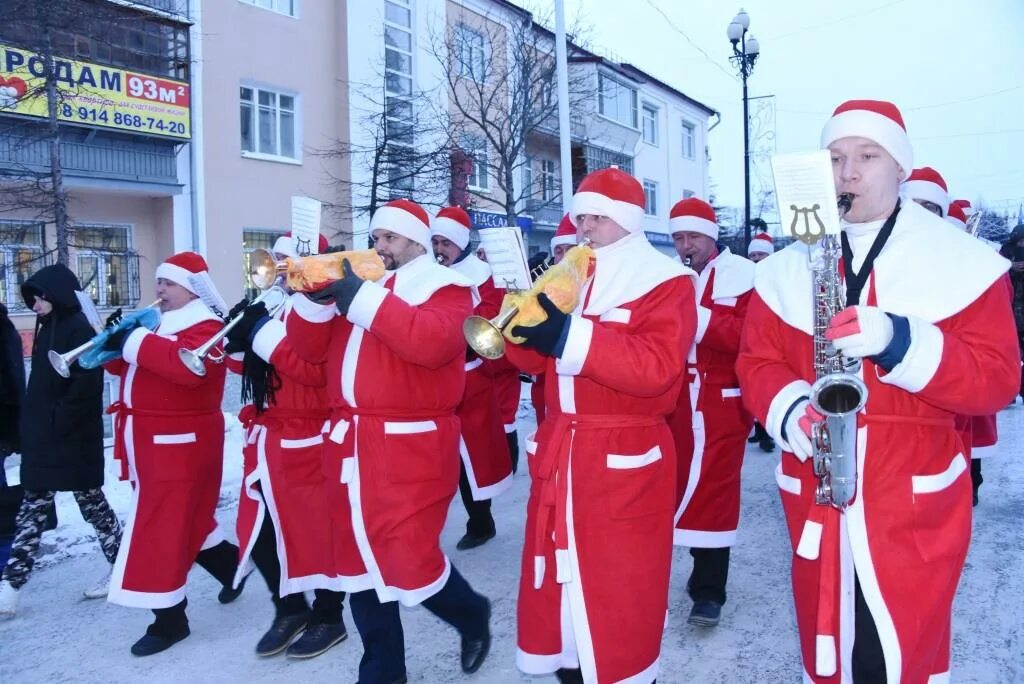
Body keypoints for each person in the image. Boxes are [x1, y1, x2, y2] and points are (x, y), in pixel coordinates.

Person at [736, 99, 1020, 683]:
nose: (848, 173)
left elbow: (997, 379)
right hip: (816, 480)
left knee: (894, 650)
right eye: (835, 158)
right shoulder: (786, 267)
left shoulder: (962, 262)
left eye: (868, 156)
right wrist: (790, 410)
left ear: (901, 168)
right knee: (829, 643)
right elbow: (757, 361)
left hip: (911, 490)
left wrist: (900, 341)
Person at [284, 198, 491, 683]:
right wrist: (313, 301)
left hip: (409, 446)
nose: (380, 247)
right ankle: (382, 670)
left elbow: (430, 343)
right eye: (376, 238)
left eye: (390, 238)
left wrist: (359, 297)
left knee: (409, 557)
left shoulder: (448, 287)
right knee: (357, 561)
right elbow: (309, 353)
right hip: (350, 442)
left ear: (417, 242)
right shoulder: (365, 285)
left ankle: (470, 613)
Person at [506, 167, 695, 683]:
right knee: (559, 592)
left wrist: (567, 336)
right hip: (563, 452)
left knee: (619, 590)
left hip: (624, 456)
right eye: (581, 217)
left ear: (627, 220)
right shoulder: (571, 272)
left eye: (597, 217)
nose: (585, 226)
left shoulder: (666, 281)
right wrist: (520, 326)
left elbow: (657, 370)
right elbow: (532, 364)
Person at [102, 252, 242, 656]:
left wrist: (134, 341)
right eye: (159, 282)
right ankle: (233, 569)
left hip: (181, 444)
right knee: (187, 519)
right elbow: (124, 369)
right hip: (150, 440)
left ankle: (169, 620)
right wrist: (113, 341)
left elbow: (186, 370)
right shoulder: (157, 323)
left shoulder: (209, 327)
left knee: (161, 528)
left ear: (192, 289)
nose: (160, 290)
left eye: (169, 283)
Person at [224, 231, 349, 659]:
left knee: (316, 531)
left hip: (310, 434)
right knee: (260, 530)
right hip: (267, 435)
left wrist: (261, 334)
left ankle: (329, 616)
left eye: (285, 261)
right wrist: (237, 337)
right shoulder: (274, 305)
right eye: (273, 260)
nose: (276, 270)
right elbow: (252, 370)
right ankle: (290, 608)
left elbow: (315, 372)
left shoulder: (326, 307)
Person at [0, 265, 123, 619]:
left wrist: (56, 422)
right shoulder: (48, 326)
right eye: (32, 300)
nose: (35, 305)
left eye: (39, 298)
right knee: (32, 512)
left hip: (71, 438)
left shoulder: (78, 328)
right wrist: (31, 428)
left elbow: (86, 387)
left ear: (56, 294)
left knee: (93, 506)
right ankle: (10, 589)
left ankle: (121, 564)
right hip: (44, 439)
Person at [668, 197, 756, 628]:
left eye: (694, 237)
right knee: (671, 487)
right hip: (673, 402)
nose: (686, 246)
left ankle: (709, 591)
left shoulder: (745, 276)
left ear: (711, 236)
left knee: (714, 493)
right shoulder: (669, 275)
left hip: (721, 401)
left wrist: (696, 317)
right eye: (679, 238)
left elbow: (748, 336)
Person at [431, 206, 513, 551]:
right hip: (436, 377)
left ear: (461, 243)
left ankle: (480, 521)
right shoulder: (429, 273)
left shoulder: (483, 275)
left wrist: (452, 334)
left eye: (446, 243)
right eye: (435, 242)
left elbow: (491, 319)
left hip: (472, 376)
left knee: (472, 457)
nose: (439, 249)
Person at [525, 215, 578, 427]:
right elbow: (528, 360)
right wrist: (523, 292)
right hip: (546, 392)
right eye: (559, 251)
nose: (564, 259)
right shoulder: (546, 289)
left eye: (571, 250)